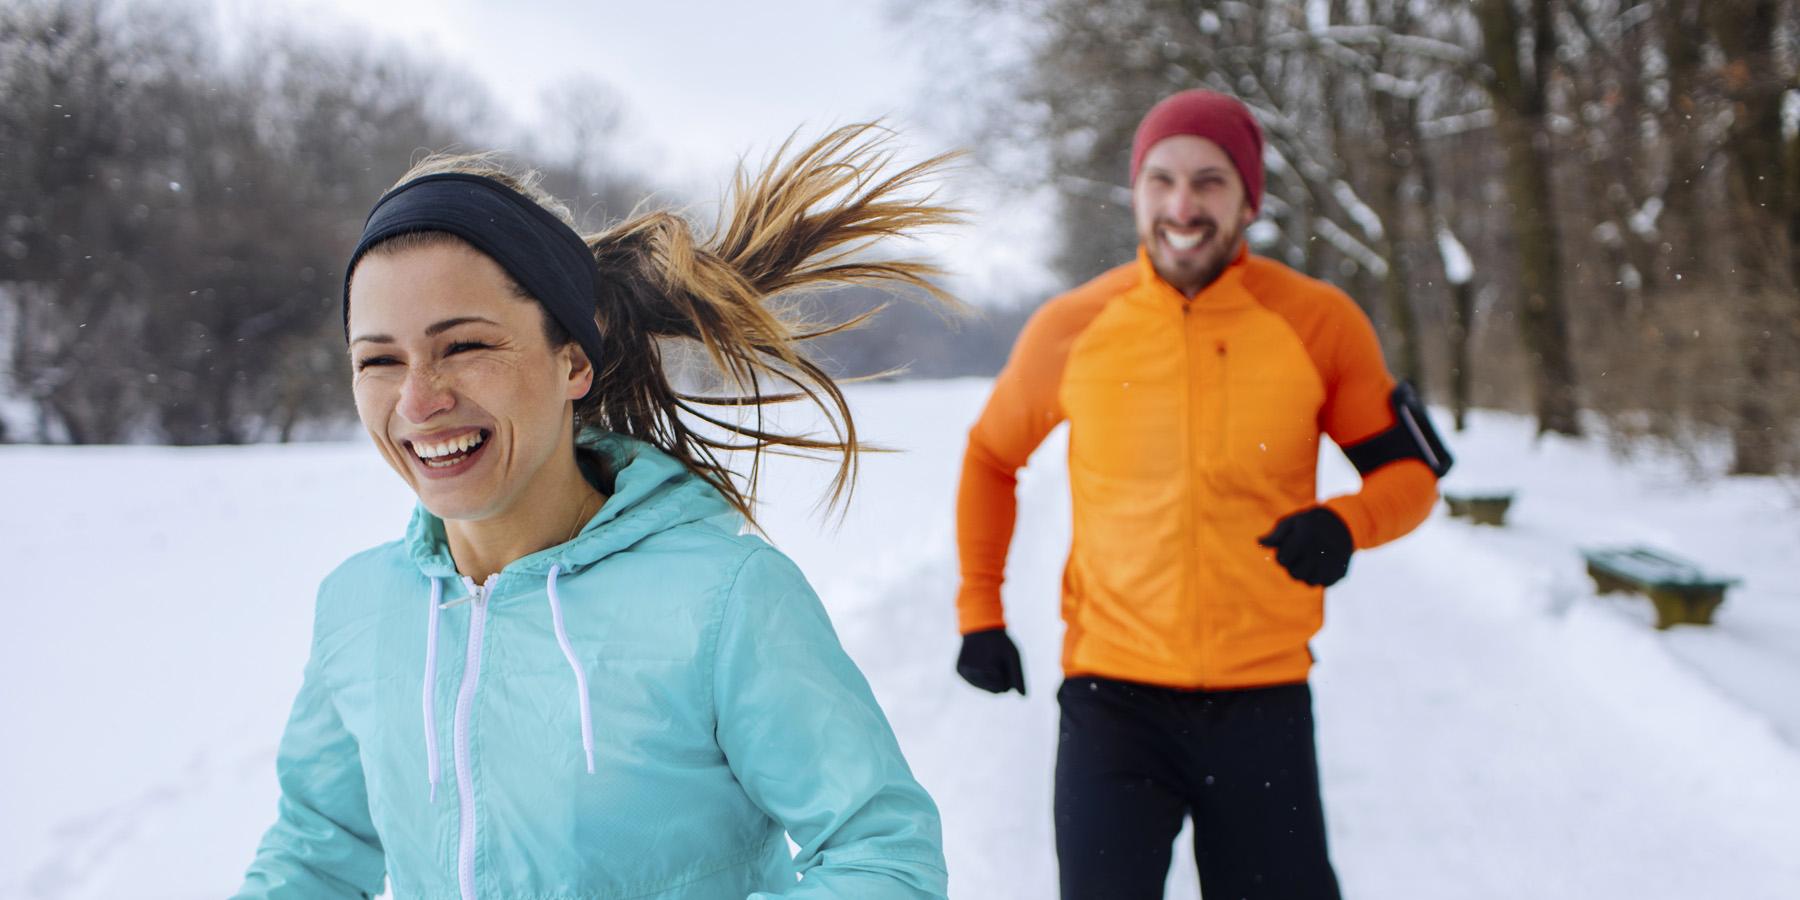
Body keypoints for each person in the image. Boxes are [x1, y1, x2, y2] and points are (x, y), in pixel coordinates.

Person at [234, 125, 956, 899]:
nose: (419, 400)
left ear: (573, 360)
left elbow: (881, 855)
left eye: (465, 346)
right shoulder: (359, 605)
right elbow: (314, 855)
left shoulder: (725, 597)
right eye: (378, 359)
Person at [951, 90, 1449, 898]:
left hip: (1263, 700)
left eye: (1210, 181)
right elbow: (990, 458)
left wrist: (1346, 523)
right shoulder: (1073, 327)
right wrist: (981, 612)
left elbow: (1411, 477)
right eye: (1161, 179)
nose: (1183, 205)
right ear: (1136, 191)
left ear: (1249, 198)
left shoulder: (1317, 322)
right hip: (1113, 701)